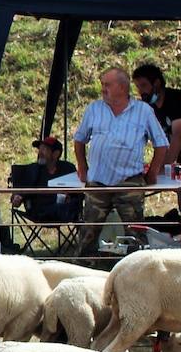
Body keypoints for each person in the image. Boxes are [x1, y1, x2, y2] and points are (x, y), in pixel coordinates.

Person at [73, 68, 170, 257]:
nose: (103, 89)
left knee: (135, 232)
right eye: (102, 85)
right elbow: (79, 140)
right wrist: (82, 166)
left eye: (107, 85)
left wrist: (152, 172)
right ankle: (83, 265)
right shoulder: (94, 108)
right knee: (88, 232)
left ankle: (138, 269)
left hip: (129, 180)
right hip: (98, 179)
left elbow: (161, 144)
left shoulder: (143, 111)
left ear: (123, 87)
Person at [0, 135, 79, 252]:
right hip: (39, 212)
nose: (40, 153)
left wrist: (71, 197)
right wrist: (17, 197)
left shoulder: (68, 168)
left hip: (64, 212)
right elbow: (21, 191)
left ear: (56, 154)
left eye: (45, 150)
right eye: (40, 149)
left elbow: (78, 192)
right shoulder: (33, 170)